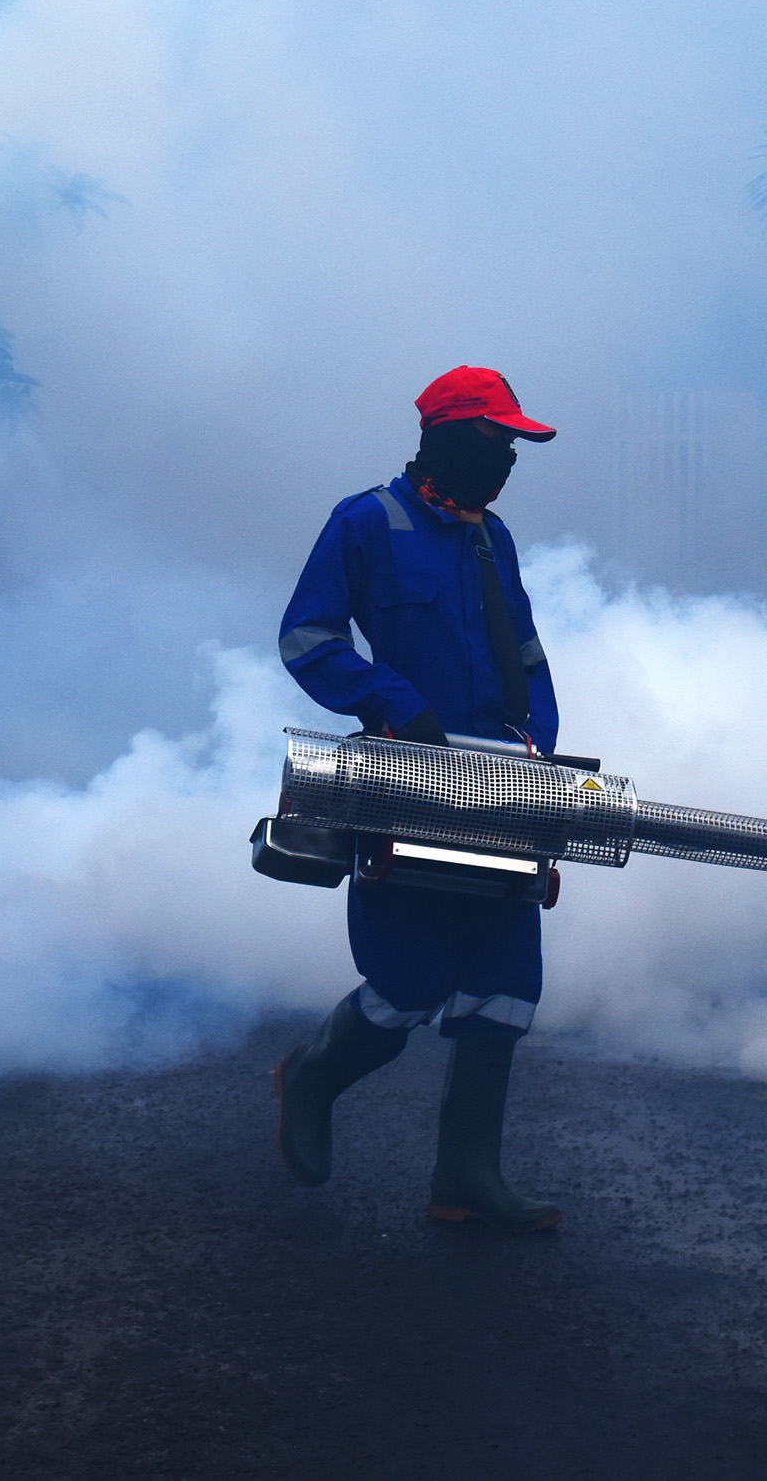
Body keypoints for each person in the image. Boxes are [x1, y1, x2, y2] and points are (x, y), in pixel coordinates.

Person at [272, 365, 563, 1232]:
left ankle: (466, 1177)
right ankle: (312, 1076)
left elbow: (532, 658)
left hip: (503, 788)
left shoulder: (493, 539)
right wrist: (395, 703)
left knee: (506, 986)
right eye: (493, 439)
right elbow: (308, 637)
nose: (506, 456)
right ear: (442, 436)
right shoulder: (367, 521)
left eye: (513, 443)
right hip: (405, 782)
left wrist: (540, 752)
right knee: (408, 979)